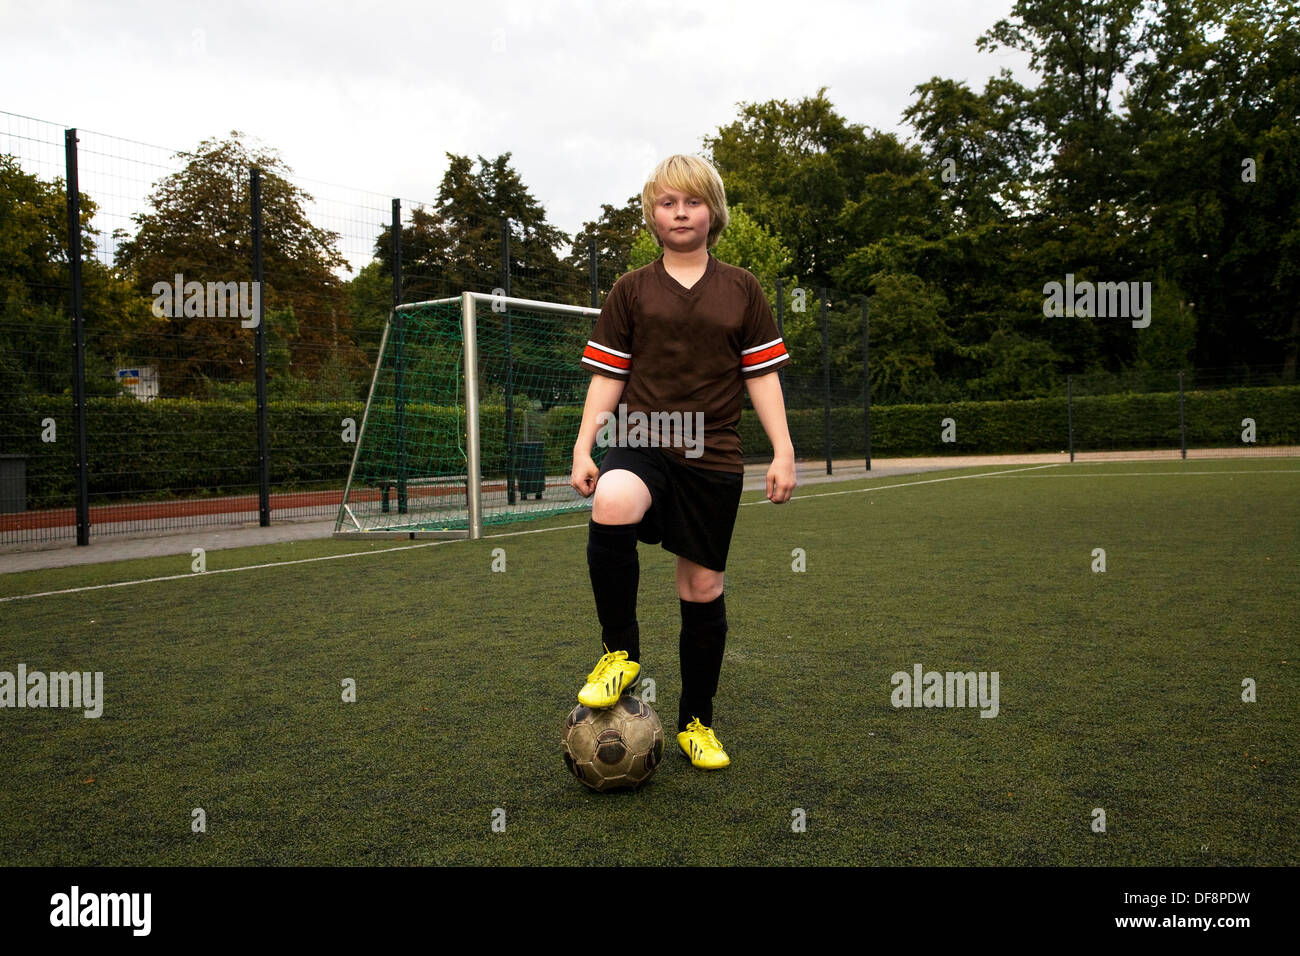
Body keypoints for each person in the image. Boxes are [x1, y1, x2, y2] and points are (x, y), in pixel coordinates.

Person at [568, 153, 796, 770]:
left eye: (692, 201)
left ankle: (698, 721)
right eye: (667, 203)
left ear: (711, 212)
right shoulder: (630, 290)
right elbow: (608, 378)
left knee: (701, 587)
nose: (680, 212)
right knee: (613, 498)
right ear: (652, 215)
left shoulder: (743, 288)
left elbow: (763, 376)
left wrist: (782, 449)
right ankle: (621, 653)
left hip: (713, 452)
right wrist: (585, 444)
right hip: (643, 437)